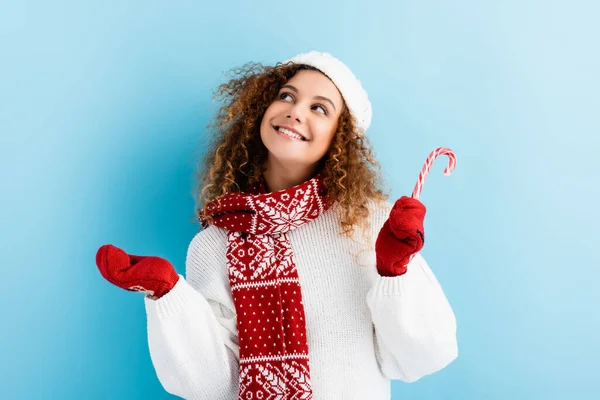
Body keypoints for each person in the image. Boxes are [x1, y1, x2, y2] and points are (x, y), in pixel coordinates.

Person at [95, 51, 458, 400]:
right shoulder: (215, 243)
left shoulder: (368, 222)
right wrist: (169, 296)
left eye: (319, 107)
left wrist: (395, 272)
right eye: (287, 96)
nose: (295, 112)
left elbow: (423, 357)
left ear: (339, 137)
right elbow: (212, 387)